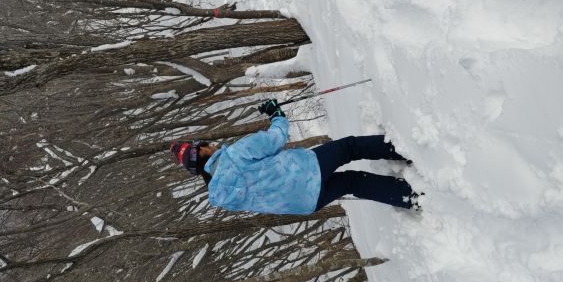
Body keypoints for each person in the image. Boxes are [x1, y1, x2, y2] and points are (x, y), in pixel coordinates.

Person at [169, 99, 422, 215]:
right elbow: (276, 139)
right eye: (205, 145)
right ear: (202, 151)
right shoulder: (233, 155)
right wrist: (276, 114)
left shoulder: (221, 197)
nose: (211, 145)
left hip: (305, 204)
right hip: (305, 170)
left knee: (352, 183)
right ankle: (403, 148)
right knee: (349, 148)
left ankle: (410, 196)